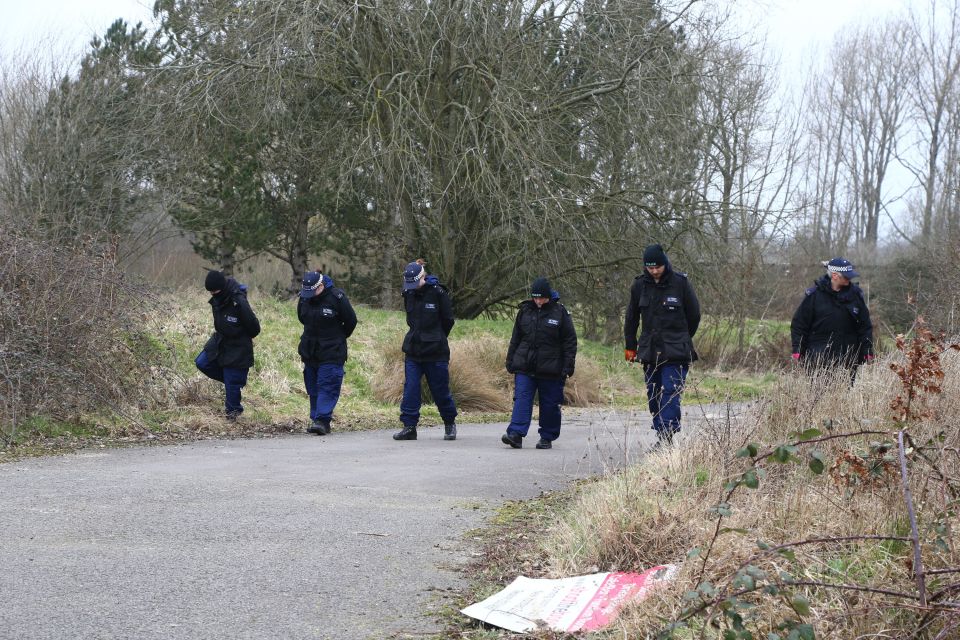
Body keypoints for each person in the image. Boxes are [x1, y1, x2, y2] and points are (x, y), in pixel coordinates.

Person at [624, 244, 701, 449]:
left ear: (665, 263)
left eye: (658, 266)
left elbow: (694, 315)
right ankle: (661, 430)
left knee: (671, 391)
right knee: (654, 392)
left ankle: (666, 435)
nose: (655, 271)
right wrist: (630, 346)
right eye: (650, 268)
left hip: (676, 350)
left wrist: (682, 338)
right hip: (650, 350)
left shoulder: (680, 283)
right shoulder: (639, 286)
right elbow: (631, 318)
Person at [501, 277, 577, 450]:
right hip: (525, 365)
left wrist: (568, 366)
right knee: (522, 399)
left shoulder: (560, 313)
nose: (537, 301)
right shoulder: (525, 311)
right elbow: (516, 338)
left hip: (551, 369)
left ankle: (547, 437)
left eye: (541, 298)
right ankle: (515, 434)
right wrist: (510, 359)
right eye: (534, 297)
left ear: (548, 296)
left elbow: (570, 341)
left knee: (550, 404)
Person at [392, 259, 459, 441]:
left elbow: (448, 321)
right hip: (414, 350)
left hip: (436, 351)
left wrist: (436, 336)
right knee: (411, 389)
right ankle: (409, 426)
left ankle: (449, 423)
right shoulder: (409, 293)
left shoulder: (438, 293)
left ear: (424, 277)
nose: (413, 286)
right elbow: (411, 319)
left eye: (416, 282)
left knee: (440, 390)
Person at [790, 258, 874, 378]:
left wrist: (867, 351)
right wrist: (797, 350)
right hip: (818, 359)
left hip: (848, 359)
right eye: (846, 276)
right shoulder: (814, 295)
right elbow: (799, 325)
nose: (849, 279)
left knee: (845, 394)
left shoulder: (856, 296)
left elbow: (865, 326)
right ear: (834, 276)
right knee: (818, 395)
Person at [195, 269, 261, 420]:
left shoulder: (239, 301)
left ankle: (233, 413)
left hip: (238, 346)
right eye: (210, 292)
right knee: (202, 363)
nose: (212, 294)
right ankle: (234, 382)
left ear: (222, 288)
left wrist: (240, 335)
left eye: (214, 291)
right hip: (219, 341)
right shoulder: (218, 298)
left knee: (232, 382)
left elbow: (255, 328)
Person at [298, 271, 358, 435]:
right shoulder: (304, 297)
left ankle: (323, 420)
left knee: (328, 384)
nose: (309, 296)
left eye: (312, 292)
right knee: (313, 386)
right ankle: (315, 418)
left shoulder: (336, 297)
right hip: (310, 349)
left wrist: (338, 337)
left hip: (332, 350)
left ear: (321, 286)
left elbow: (351, 321)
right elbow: (302, 318)